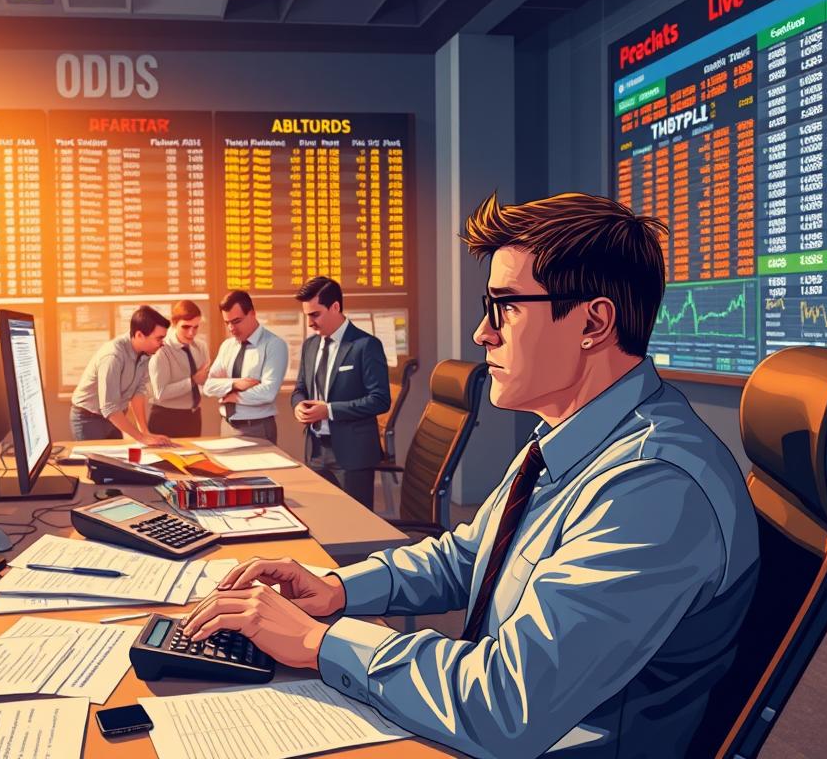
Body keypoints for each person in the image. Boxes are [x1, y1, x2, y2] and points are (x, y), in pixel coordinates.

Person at [180, 192, 760, 758]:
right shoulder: (567, 440)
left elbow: (505, 704)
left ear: (593, 322)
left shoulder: (652, 490)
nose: (483, 332)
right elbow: (469, 557)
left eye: (506, 307)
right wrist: (338, 589)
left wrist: (319, 640)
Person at [291, 276, 390, 509]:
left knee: (357, 521)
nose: (310, 323)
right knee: (321, 517)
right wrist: (298, 406)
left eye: (315, 314)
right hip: (315, 450)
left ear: (335, 307)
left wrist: (329, 411)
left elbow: (380, 400)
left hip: (352, 455)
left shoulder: (366, 345)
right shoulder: (310, 346)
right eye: (307, 315)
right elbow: (300, 389)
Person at [69, 305, 172, 445]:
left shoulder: (145, 352)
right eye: (159, 339)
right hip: (89, 419)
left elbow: (138, 390)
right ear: (139, 335)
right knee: (95, 459)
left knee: (117, 458)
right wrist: (141, 438)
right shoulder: (113, 356)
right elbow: (109, 407)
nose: (162, 344)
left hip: (115, 417)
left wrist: (145, 431)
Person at [202, 290, 288, 444]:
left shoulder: (274, 345)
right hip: (226, 426)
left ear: (252, 314)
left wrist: (233, 397)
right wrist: (235, 384)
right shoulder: (227, 346)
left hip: (257, 428)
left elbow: (268, 393)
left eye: (236, 321)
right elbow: (208, 386)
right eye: (227, 323)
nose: (231, 328)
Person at [148, 300, 209, 437]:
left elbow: (204, 383)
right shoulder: (161, 349)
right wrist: (193, 381)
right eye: (186, 327)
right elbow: (160, 393)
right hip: (166, 418)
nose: (191, 333)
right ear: (174, 323)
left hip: (193, 416)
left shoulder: (201, 346)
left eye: (196, 327)